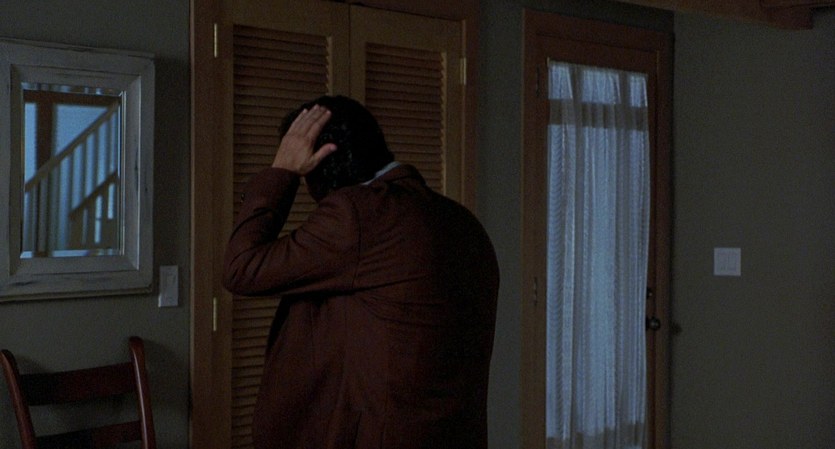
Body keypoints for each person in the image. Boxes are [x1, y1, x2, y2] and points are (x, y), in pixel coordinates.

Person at [223, 95, 499, 449]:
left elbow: (241, 267)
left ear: (319, 161)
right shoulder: (463, 222)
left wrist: (283, 171)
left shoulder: (359, 214)